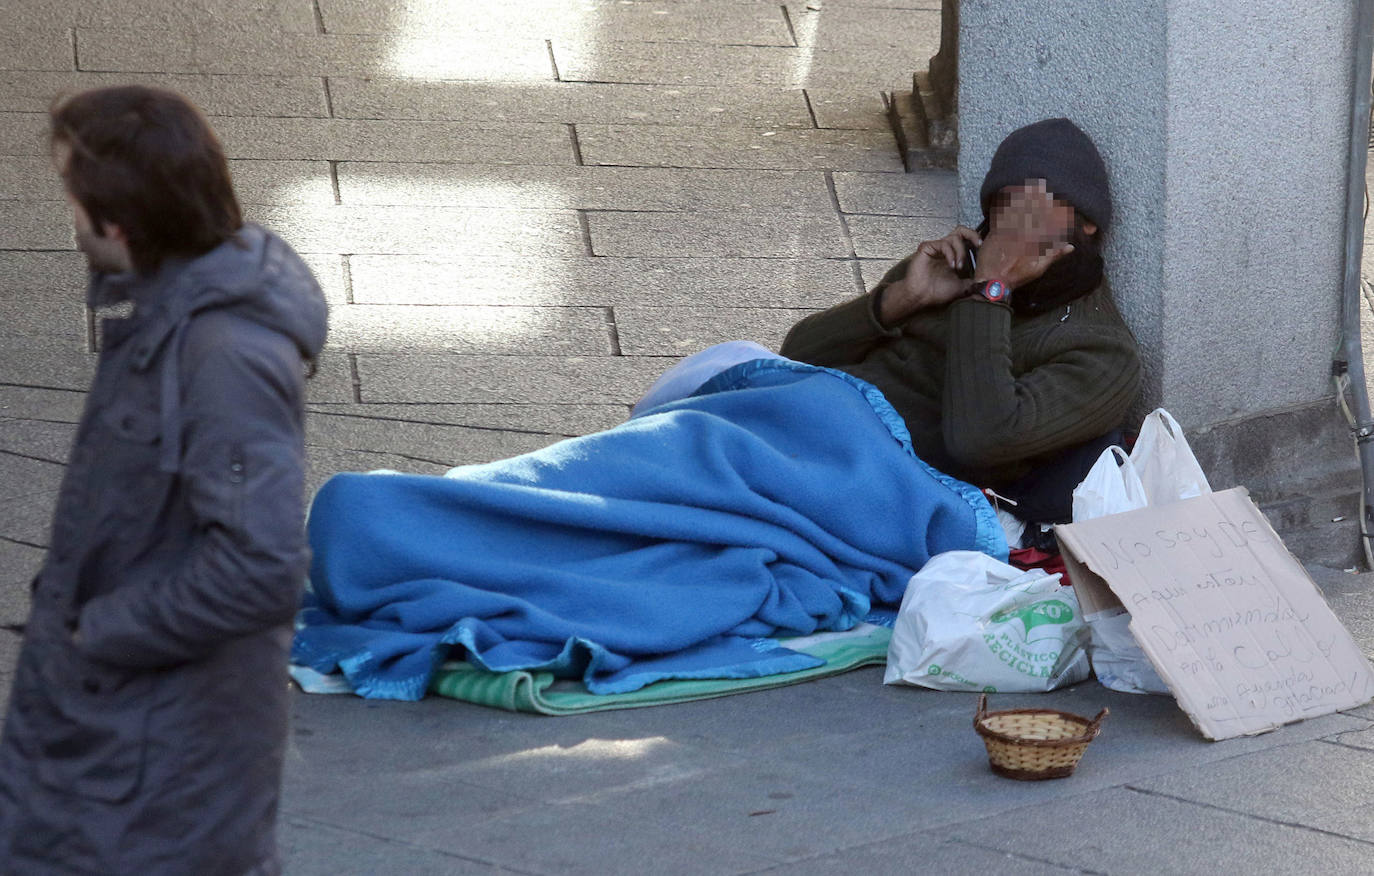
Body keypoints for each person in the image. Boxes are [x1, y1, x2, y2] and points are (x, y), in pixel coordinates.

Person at [0, 86, 327, 875]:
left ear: (118, 222)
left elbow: (258, 568)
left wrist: (100, 631)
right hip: (116, 736)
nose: (70, 218)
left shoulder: (224, 357)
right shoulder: (165, 310)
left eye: (73, 197)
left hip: (154, 753)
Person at [781, 117, 1141, 523]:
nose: (1018, 222)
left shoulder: (1101, 350)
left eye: (1040, 206)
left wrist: (990, 293)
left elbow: (980, 439)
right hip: (807, 415)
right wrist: (903, 298)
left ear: (1086, 222)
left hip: (868, 473)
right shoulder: (952, 271)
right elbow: (794, 355)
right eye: (1006, 204)